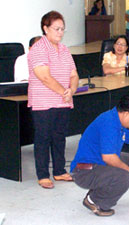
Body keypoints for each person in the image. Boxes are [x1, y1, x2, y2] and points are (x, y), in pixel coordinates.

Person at [70, 93, 129, 216]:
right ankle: (95, 201)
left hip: (96, 163)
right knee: (124, 176)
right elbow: (109, 157)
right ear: (125, 113)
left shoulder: (119, 121)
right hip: (83, 172)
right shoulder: (109, 124)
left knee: (127, 161)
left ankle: (98, 191)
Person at [27, 11, 79, 189]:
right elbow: (44, 77)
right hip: (44, 102)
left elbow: (74, 74)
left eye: (62, 29)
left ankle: (59, 171)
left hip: (63, 101)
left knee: (59, 137)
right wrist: (64, 91)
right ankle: (43, 175)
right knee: (43, 138)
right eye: (56, 28)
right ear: (45, 28)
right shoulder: (38, 49)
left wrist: (71, 89)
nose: (60, 32)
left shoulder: (64, 49)